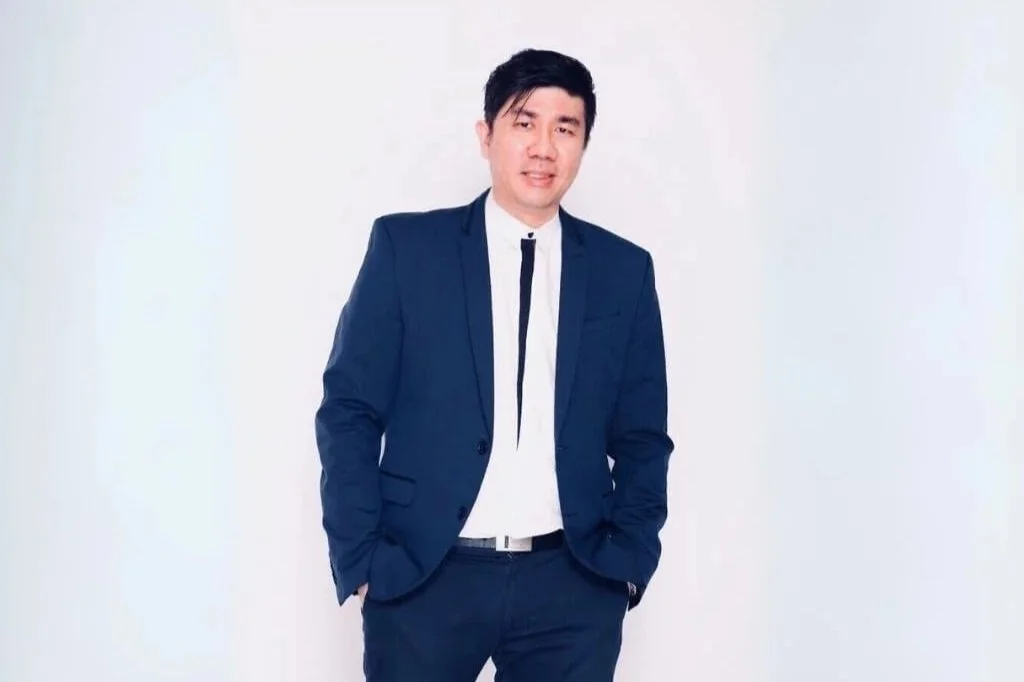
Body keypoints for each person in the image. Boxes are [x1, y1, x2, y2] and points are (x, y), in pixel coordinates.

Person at [314, 47, 674, 681]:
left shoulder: (624, 271)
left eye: (565, 129)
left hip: (572, 585)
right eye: (524, 122)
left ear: (584, 144)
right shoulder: (407, 250)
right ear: (486, 136)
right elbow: (349, 409)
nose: (544, 147)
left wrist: (627, 565)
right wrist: (362, 559)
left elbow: (643, 436)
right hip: (425, 576)